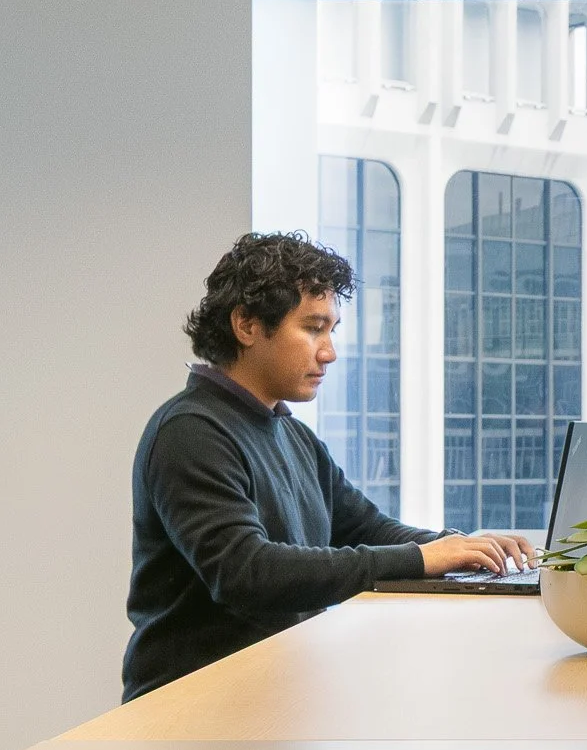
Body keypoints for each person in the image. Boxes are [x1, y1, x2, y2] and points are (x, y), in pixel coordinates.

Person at [122, 229, 533, 698]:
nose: (329, 352)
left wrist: (458, 548)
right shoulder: (191, 431)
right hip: (187, 713)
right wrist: (423, 558)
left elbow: (366, 527)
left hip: (270, 699)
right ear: (248, 326)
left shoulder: (289, 432)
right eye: (313, 328)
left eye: (330, 331)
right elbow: (247, 573)